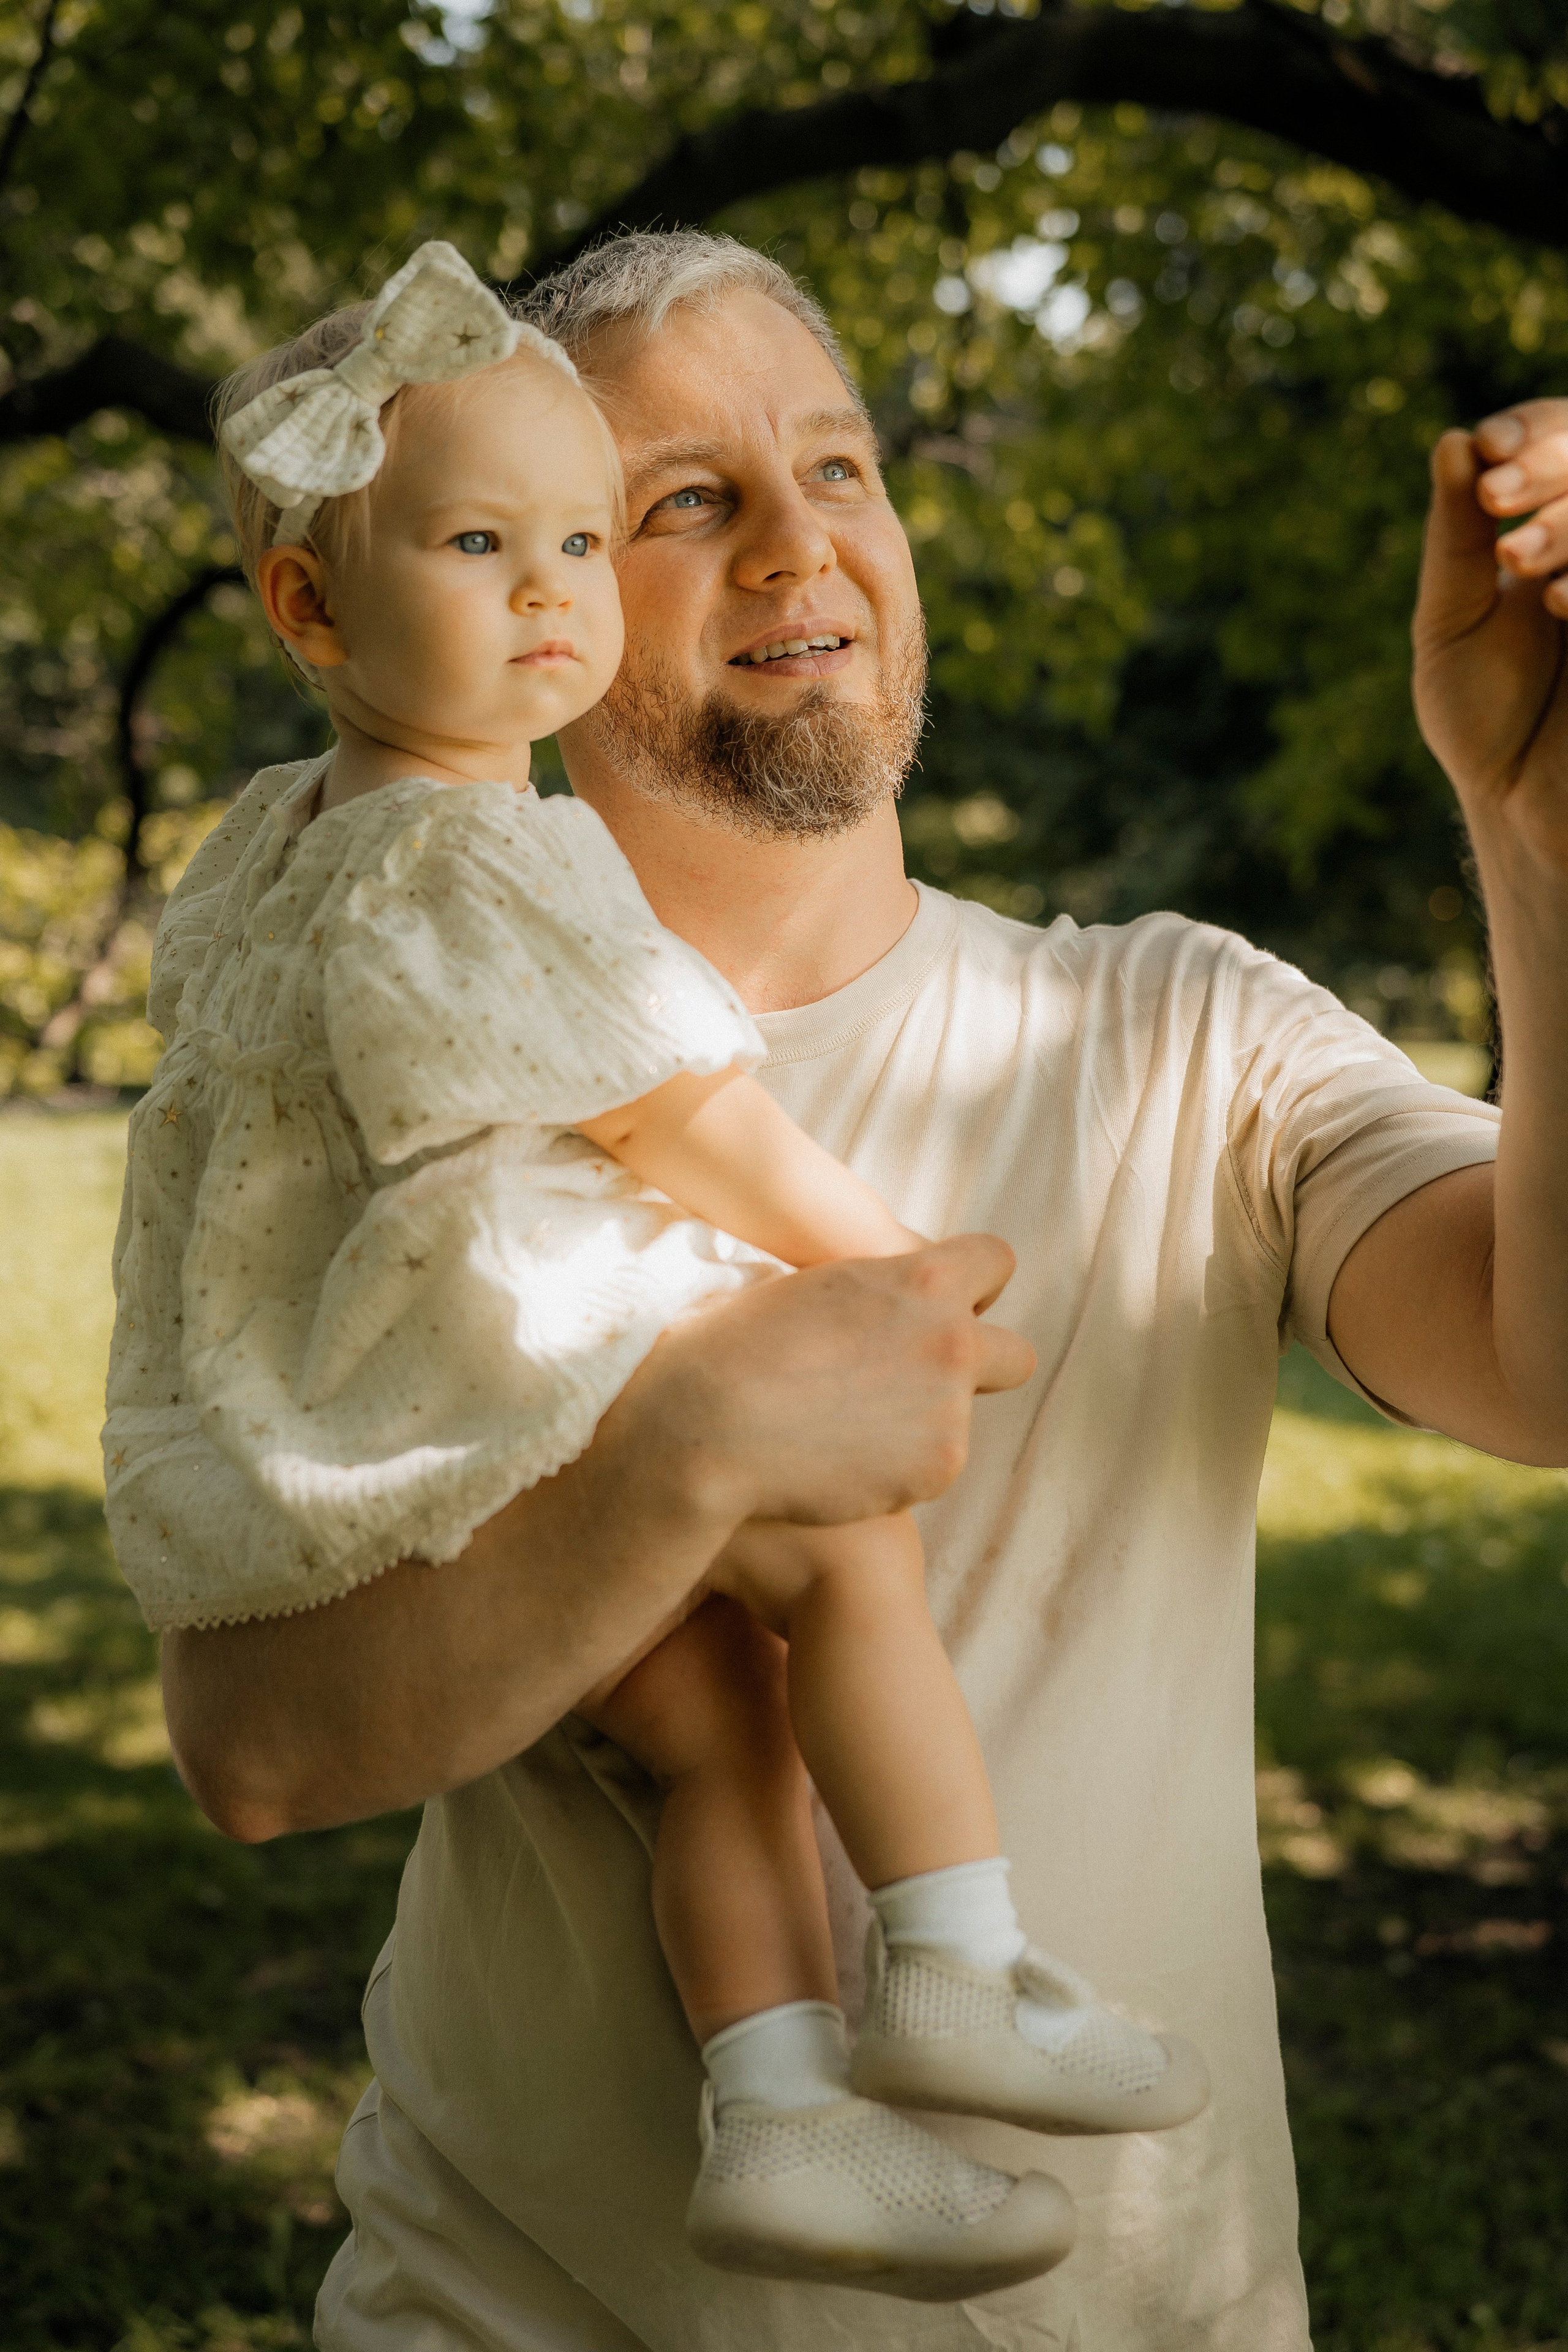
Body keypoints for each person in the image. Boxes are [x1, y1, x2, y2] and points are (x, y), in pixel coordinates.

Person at [143, 230, 1568, 2350]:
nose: (803, 541)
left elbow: (1547, 1374)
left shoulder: (1179, 1033)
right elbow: (253, 1748)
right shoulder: (364, 1056)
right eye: (686, 499)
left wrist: (1536, 833)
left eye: (843, 468)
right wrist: (688, 1455)